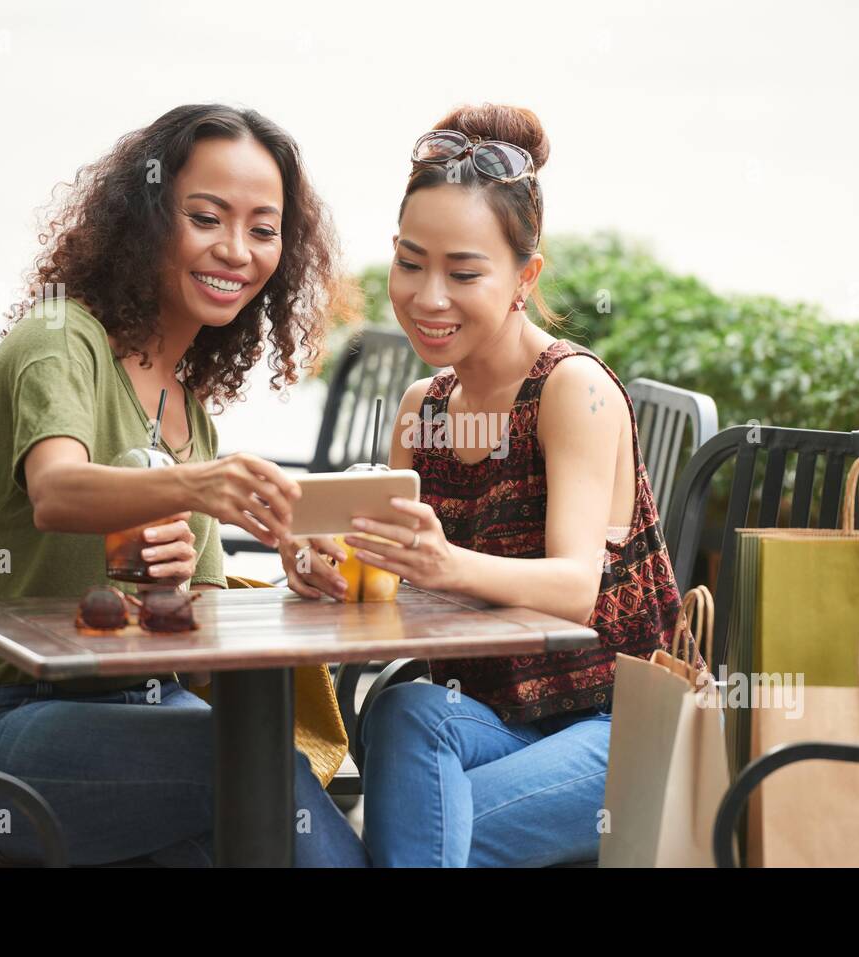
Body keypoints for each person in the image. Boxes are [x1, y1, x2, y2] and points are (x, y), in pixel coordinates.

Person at [0, 104, 368, 867]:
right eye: (206, 217)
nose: (236, 249)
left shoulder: (190, 413)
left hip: (138, 716)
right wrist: (202, 485)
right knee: (257, 770)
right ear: (148, 219)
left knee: (228, 819)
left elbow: (199, 653)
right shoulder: (59, 337)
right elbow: (56, 492)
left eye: (263, 228)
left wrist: (292, 577)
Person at [279, 103, 691, 867]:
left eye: (464, 271)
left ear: (523, 278)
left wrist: (440, 564)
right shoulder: (422, 409)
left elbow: (574, 587)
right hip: (485, 724)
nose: (428, 296)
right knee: (403, 709)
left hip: (614, 730)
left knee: (412, 838)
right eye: (410, 261)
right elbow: (399, 592)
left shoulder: (573, 391)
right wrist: (327, 571)